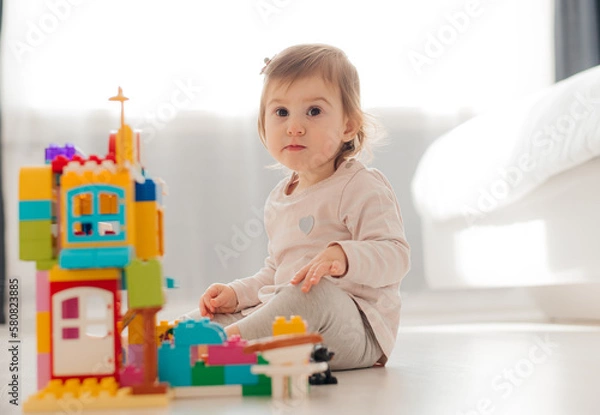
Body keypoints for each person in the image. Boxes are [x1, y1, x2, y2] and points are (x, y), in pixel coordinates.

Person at [184, 44, 410, 370]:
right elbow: (276, 274)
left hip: (356, 332)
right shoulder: (280, 197)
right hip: (296, 323)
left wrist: (344, 257)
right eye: (281, 113)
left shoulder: (360, 185)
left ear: (348, 126)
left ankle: (223, 348)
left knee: (313, 291)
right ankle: (174, 339)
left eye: (314, 111)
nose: (294, 126)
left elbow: (396, 256)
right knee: (215, 315)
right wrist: (236, 294)